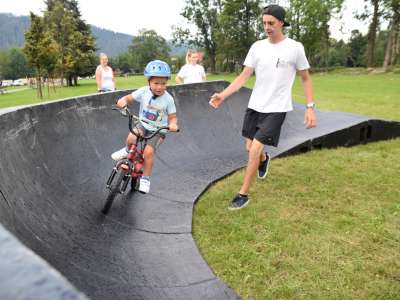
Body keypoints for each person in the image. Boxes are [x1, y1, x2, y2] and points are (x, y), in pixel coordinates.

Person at [209, 4, 317, 210]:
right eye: (264, 23)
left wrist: (310, 107)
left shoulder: (295, 48)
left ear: (282, 23)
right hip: (255, 105)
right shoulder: (257, 47)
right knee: (251, 148)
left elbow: (305, 78)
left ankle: (243, 195)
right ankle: (264, 159)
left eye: (271, 23)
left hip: (277, 108)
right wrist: (223, 95)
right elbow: (243, 76)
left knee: (254, 149)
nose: (267, 27)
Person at [111, 60, 179, 194]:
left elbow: (172, 117)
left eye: (163, 83)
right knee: (131, 137)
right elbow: (128, 98)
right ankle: (126, 150)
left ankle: (146, 178)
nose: (160, 87)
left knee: (148, 152)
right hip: (143, 124)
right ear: (149, 82)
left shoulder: (168, 99)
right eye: (156, 83)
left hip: (158, 130)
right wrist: (122, 102)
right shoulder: (143, 92)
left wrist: (173, 124)